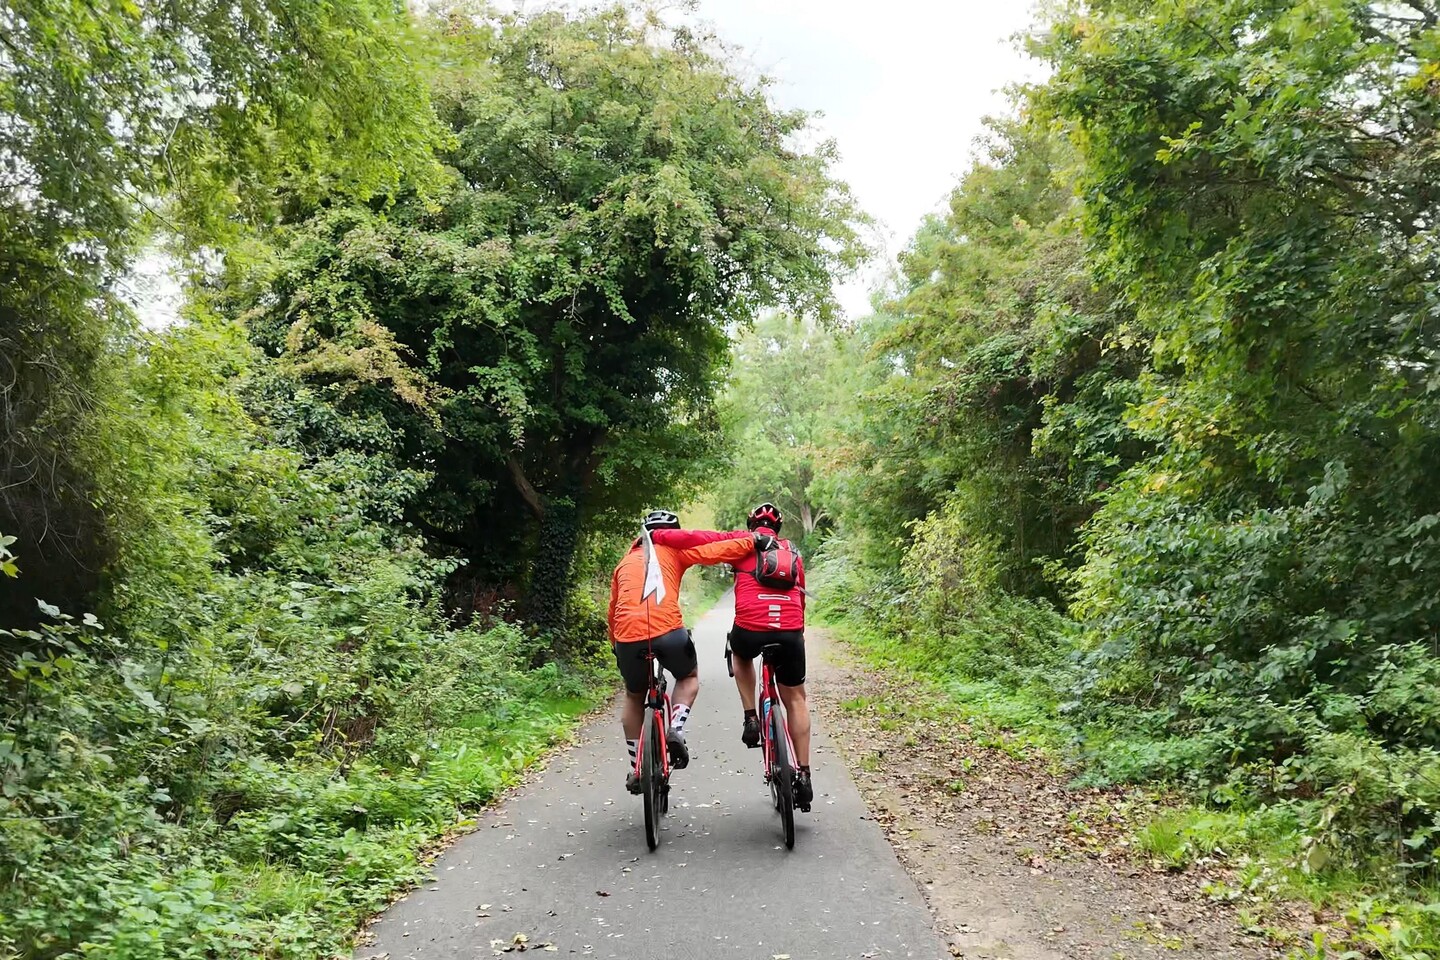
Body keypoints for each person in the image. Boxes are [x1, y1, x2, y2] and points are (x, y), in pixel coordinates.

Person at [657, 504, 813, 810]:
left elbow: (701, 539)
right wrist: (798, 634)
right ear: (778, 529)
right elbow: (801, 596)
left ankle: (750, 716)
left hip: (751, 628)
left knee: (740, 653)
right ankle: (804, 774)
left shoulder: (743, 542)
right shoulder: (793, 551)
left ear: (751, 525)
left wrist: (660, 535)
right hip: (790, 629)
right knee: (796, 699)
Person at [608, 510, 762, 794]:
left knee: (634, 695)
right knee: (688, 676)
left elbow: (612, 609)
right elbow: (717, 551)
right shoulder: (676, 552)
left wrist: (615, 645)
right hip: (668, 631)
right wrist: (752, 541)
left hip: (627, 636)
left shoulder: (623, 563)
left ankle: (636, 768)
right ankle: (676, 729)